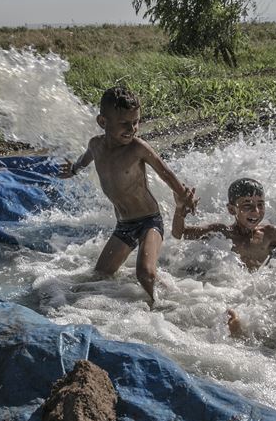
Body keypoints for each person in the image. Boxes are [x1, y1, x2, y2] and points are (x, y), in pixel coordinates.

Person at [59, 86, 194, 305]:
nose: (132, 129)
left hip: (149, 221)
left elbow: (165, 172)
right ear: (103, 122)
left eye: (136, 122)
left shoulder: (137, 148)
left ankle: (167, 306)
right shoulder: (95, 145)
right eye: (124, 123)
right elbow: (85, 159)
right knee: (100, 275)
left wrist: (182, 195)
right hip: (124, 226)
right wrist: (73, 169)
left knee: (145, 273)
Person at [171, 178, 276, 337]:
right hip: (235, 288)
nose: (256, 211)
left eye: (260, 205)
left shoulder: (270, 233)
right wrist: (180, 209)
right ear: (231, 209)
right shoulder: (222, 232)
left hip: (265, 285)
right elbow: (180, 233)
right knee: (233, 303)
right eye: (247, 205)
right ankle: (236, 326)